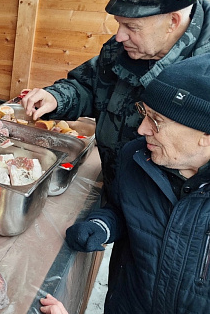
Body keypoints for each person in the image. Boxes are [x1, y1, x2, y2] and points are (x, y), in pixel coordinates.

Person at [21, 0, 210, 195]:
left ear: (172, 21)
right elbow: (87, 86)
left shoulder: (204, 72)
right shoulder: (122, 49)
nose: (119, 36)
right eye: (119, 23)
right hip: (113, 202)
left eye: (132, 27)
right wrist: (56, 98)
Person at [65, 54, 210, 313]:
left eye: (157, 121)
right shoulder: (136, 157)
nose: (142, 129)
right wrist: (103, 225)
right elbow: (125, 210)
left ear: (205, 135)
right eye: (145, 113)